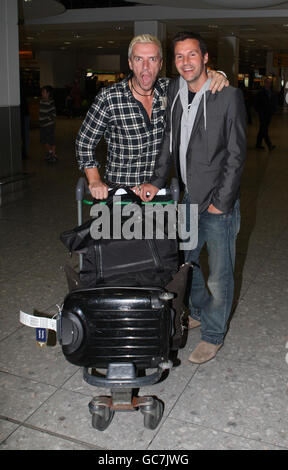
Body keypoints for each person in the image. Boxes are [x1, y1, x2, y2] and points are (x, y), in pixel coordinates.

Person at [139, 31, 247, 364]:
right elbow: (169, 139)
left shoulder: (227, 95)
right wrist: (157, 181)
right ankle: (198, 309)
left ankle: (213, 335)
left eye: (192, 55)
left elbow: (236, 154)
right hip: (187, 198)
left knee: (219, 272)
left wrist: (222, 202)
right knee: (186, 263)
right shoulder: (173, 89)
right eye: (180, 56)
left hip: (218, 203)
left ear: (205, 58)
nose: (186, 62)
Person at [75, 34, 229, 198]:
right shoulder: (109, 97)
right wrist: (94, 180)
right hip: (120, 192)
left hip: (157, 189)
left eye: (152, 59)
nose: (146, 67)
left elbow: (198, 78)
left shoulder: (170, 89)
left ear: (160, 63)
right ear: (130, 63)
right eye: (139, 59)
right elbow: (84, 142)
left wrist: (217, 74)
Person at [255, 77, 277, 151]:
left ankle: (258, 144)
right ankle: (269, 145)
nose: (268, 84)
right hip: (262, 114)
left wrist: (274, 110)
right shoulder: (260, 93)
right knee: (264, 129)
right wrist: (259, 112)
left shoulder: (272, 92)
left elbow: (274, 102)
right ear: (264, 83)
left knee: (262, 129)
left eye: (269, 83)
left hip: (269, 114)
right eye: (267, 82)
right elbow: (256, 104)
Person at [39, 85, 57, 161]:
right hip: (42, 125)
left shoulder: (51, 102)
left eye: (44, 92)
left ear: (48, 93)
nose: (42, 93)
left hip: (49, 125)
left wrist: (47, 120)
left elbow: (53, 114)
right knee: (43, 140)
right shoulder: (41, 101)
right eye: (42, 92)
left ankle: (53, 155)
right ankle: (50, 152)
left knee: (51, 140)